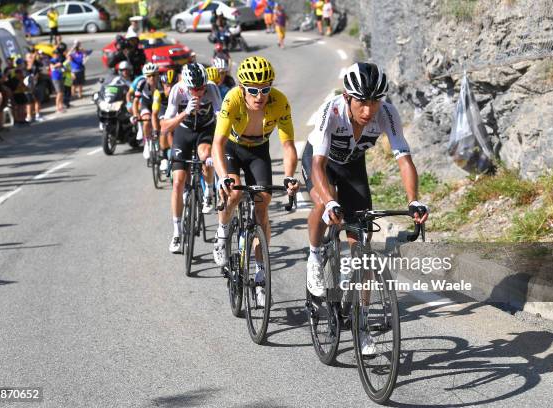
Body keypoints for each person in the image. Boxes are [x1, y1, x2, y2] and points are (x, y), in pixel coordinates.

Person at [301, 63, 429, 352]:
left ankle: (361, 324)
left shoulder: (387, 113)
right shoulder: (331, 112)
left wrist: (413, 200)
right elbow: (318, 165)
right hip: (320, 163)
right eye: (362, 101)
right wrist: (331, 201)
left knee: (363, 250)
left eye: (374, 101)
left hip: (352, 169)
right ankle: (315, 255)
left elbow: (404, 159)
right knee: (323, 202)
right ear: (347, 97)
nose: (369, 110)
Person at [211, 57, 300, 301]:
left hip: (258, 151)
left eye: (265, 89)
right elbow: (217, 144)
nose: (259, 95)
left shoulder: (279, 102)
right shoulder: (232, 98)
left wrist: (290, 177)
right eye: (253, 90)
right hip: (232, 147)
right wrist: (221, 178)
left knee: (262, 206)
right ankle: (222, 232)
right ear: (242, 88)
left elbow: (288, 145)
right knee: (234, 193)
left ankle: (260, 275)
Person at [162, 63, 221, 253]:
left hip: (205, 130)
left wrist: (220, 148)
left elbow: (221, 116)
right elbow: (164, 127)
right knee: (178, 182)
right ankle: (177, 233)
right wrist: (185, 113)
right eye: (195, 89)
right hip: (184, 132)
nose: (200, 92)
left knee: (206, 156)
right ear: (186, 87)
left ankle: (209, 192)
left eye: (202, 87)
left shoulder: (211, 88)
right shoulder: (177, 91)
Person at [132, 63, 163, 160]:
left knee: (160, 123)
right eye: (149, 76)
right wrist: (136, 114)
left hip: (159, 105)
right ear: (145, 77)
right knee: (146, 121)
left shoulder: (162, 83)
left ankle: (160, 142)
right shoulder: (141, 83)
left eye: (154, 75)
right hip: (146, 105)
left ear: (158, 75)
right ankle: (147, 142)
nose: (152, 78)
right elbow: (136, 101)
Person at [152, 69, 177, 174]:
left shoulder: (180, 90)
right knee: (165, 127)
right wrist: (154, 130)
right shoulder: (158, 93)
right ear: (162, 85)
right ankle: (163, 157)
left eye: (172, 85)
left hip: (175, 108)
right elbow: (154, 113)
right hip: (163, 107)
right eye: (167, 85)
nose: (170, 88)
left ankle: (175, 153)